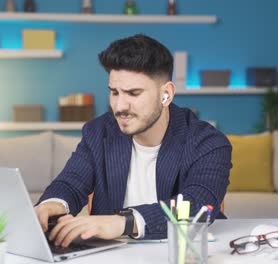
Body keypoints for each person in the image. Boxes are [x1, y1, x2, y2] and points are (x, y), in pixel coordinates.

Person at [35, 34, 232, 247]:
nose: (120, 106)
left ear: (166, 94)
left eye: (133, 93)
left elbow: (198, 204)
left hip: (186, 254)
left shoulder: (209, 142)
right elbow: (70, 183)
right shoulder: (98, 132)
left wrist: (123, 223)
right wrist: (51, 205)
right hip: (111, 257)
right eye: (114, 92)